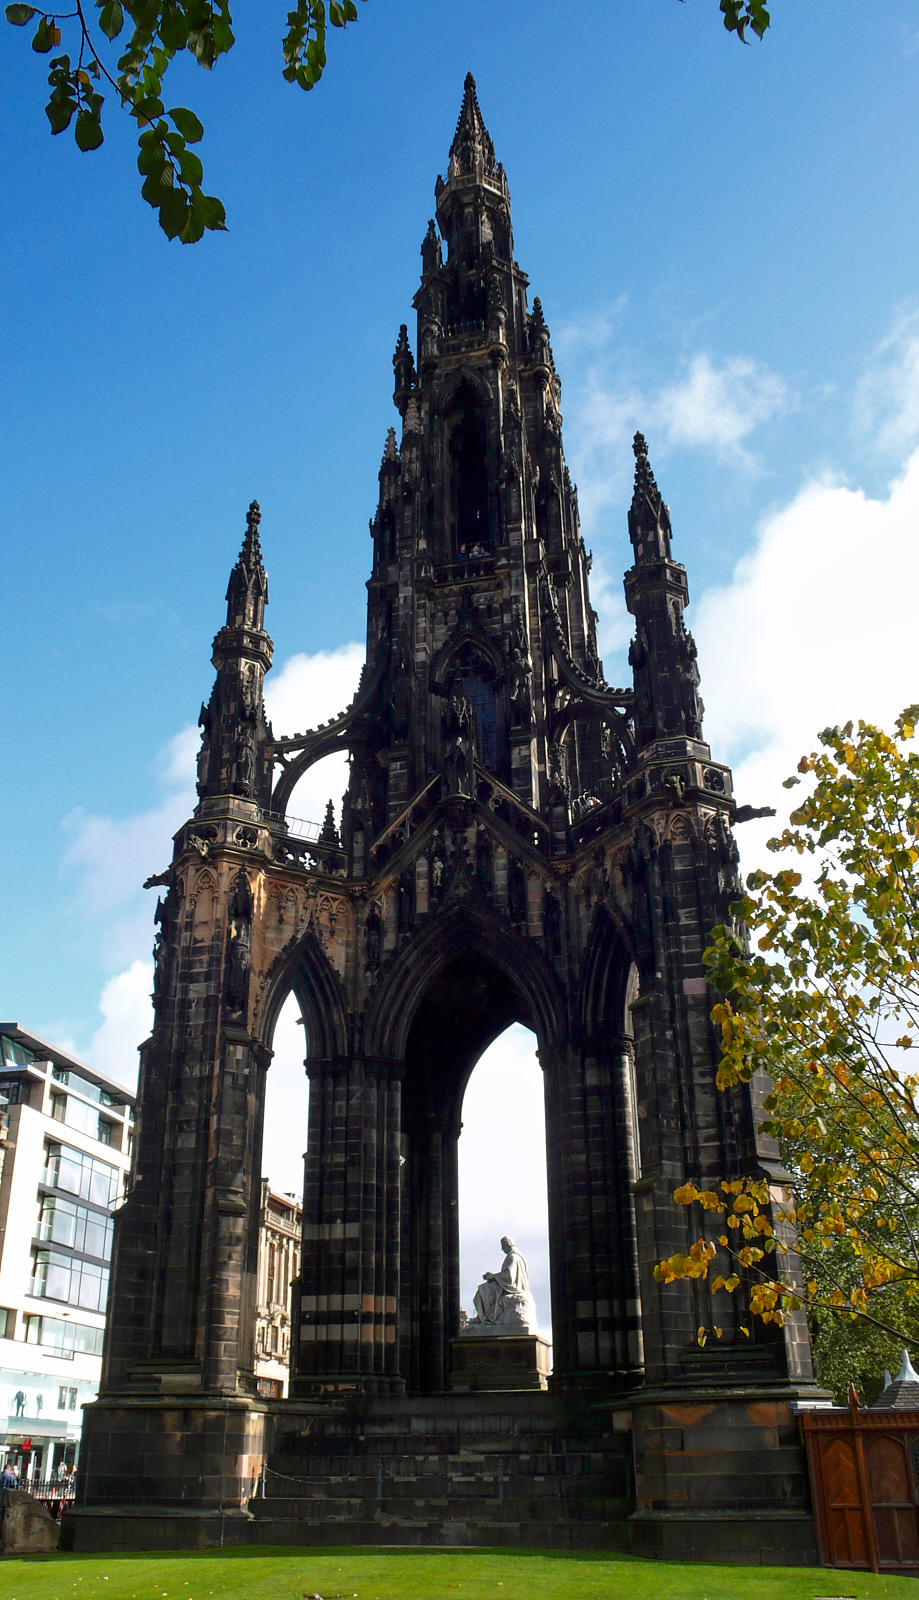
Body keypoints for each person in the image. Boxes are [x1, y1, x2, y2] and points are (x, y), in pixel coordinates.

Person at [472, 1236, 529, 1326]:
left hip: (510, 1287)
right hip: (505, 1285)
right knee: (483, 1289)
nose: (501, 1248)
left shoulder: (513, 1257)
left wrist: (493, 1277)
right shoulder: (514, 1256)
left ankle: (486, 1318)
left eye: (503, 1245)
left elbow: (509, 1277)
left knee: (482, 1290)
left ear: (508, 1244)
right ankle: (483, 1316)